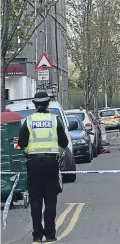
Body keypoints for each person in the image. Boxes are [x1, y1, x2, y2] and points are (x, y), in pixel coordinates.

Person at [18, 92, 68, 242]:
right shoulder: (54, 120)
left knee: (35, 201)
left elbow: (22, 143)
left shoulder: (28, 120)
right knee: (50, 199)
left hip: (33, 164)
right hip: (51, 163)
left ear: (35, 104)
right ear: (47, 104)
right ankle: (51, 235)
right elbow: (64, 142)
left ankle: (37, 236)